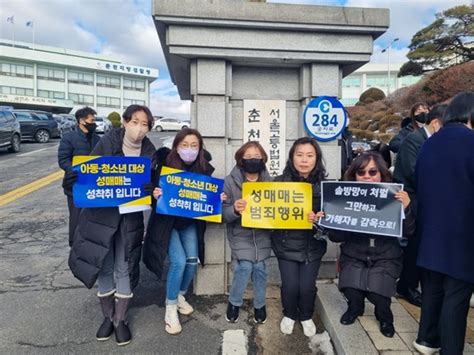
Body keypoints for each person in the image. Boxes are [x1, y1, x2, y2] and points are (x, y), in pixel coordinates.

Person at [68, 105, 156, 346]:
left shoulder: (150, 151)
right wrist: (73, 180)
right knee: (104, 265)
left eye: (145, 124)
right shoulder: (107, 143)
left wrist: (151, 190)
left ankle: (120, 319)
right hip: (101, 217)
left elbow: (155, 186)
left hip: (130, 219)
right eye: (135, 121)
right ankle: (107, 316)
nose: (139, 128)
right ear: (125, 122)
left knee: (123, 266)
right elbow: (88, 175)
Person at [325, 152, 415, 338]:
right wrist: (330, 219)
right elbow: (335, 237)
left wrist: (406, 208)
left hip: (386, 256)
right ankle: (355, 309)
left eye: (373, 172)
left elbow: (408, 232)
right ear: (354, 175)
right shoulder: (345, 199)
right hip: (354, 254)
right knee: (352, 290)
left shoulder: (395, 197)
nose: (367, 176)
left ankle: (385, 317)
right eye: (361, 172)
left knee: (379, 295)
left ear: (382, 173)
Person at [143, 128, 224, 335]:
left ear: (200, 148)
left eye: (194, 146)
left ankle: (179, 295)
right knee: (178, 261)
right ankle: (170, 308)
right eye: (185, 145)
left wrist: (217, 199)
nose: (189, 150)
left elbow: (206, 197)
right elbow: (147, 190)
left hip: (188, 222)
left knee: (192, 260)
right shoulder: (163, 165)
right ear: (176, 146)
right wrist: (155, 193)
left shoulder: (203, 168)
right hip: (166, 223)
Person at [414, 92, 474, 355]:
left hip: (430, 230)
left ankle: (427, 340)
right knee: (456, 295)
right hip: (463, 233)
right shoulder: (471, 143)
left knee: (434, 288)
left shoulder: (430, 143)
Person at [271, 137, 327, 337]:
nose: (304, 160)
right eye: (300, 155)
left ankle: (306, 315)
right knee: (290, 285)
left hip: (313, 246)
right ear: (292, 157)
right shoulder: (278, 183)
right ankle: (289, 313)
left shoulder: (325, 187)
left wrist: (321, 219)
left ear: (316, 158)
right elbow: (267, 212)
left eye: (310, 155)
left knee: (307, 287)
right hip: (285, 245)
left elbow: (334, 223)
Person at [393, 104, 446, 307]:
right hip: (411, 199)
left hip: (426, 199)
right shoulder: (413, 141)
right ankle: (407, 285)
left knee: (421, 244)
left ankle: (411, 283)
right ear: (435, 123)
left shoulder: (430, 141)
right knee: (414, 244)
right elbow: (415, 173)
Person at [222, 141, 272, 324]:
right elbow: (221, 214)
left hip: (263, 235)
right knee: (245, 267)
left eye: (257, 157)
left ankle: (260, 305)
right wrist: (234, 209)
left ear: (264, 159)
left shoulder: (271, 183)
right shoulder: (229, 181)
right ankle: (234, 303)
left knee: (260, 269)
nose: (253, 160)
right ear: (240, 159)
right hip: (239, 234)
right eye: (248, 157)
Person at [58, 106, 100, 246]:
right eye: (92, 120)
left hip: (94, 185)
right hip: (75, 184)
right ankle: (75, 244)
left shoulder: (97, 138)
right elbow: (63, 159)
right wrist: (75, 171)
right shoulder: (69, 138)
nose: (94, 123)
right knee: (76, 217)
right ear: (82, 121)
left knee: (93, 217)